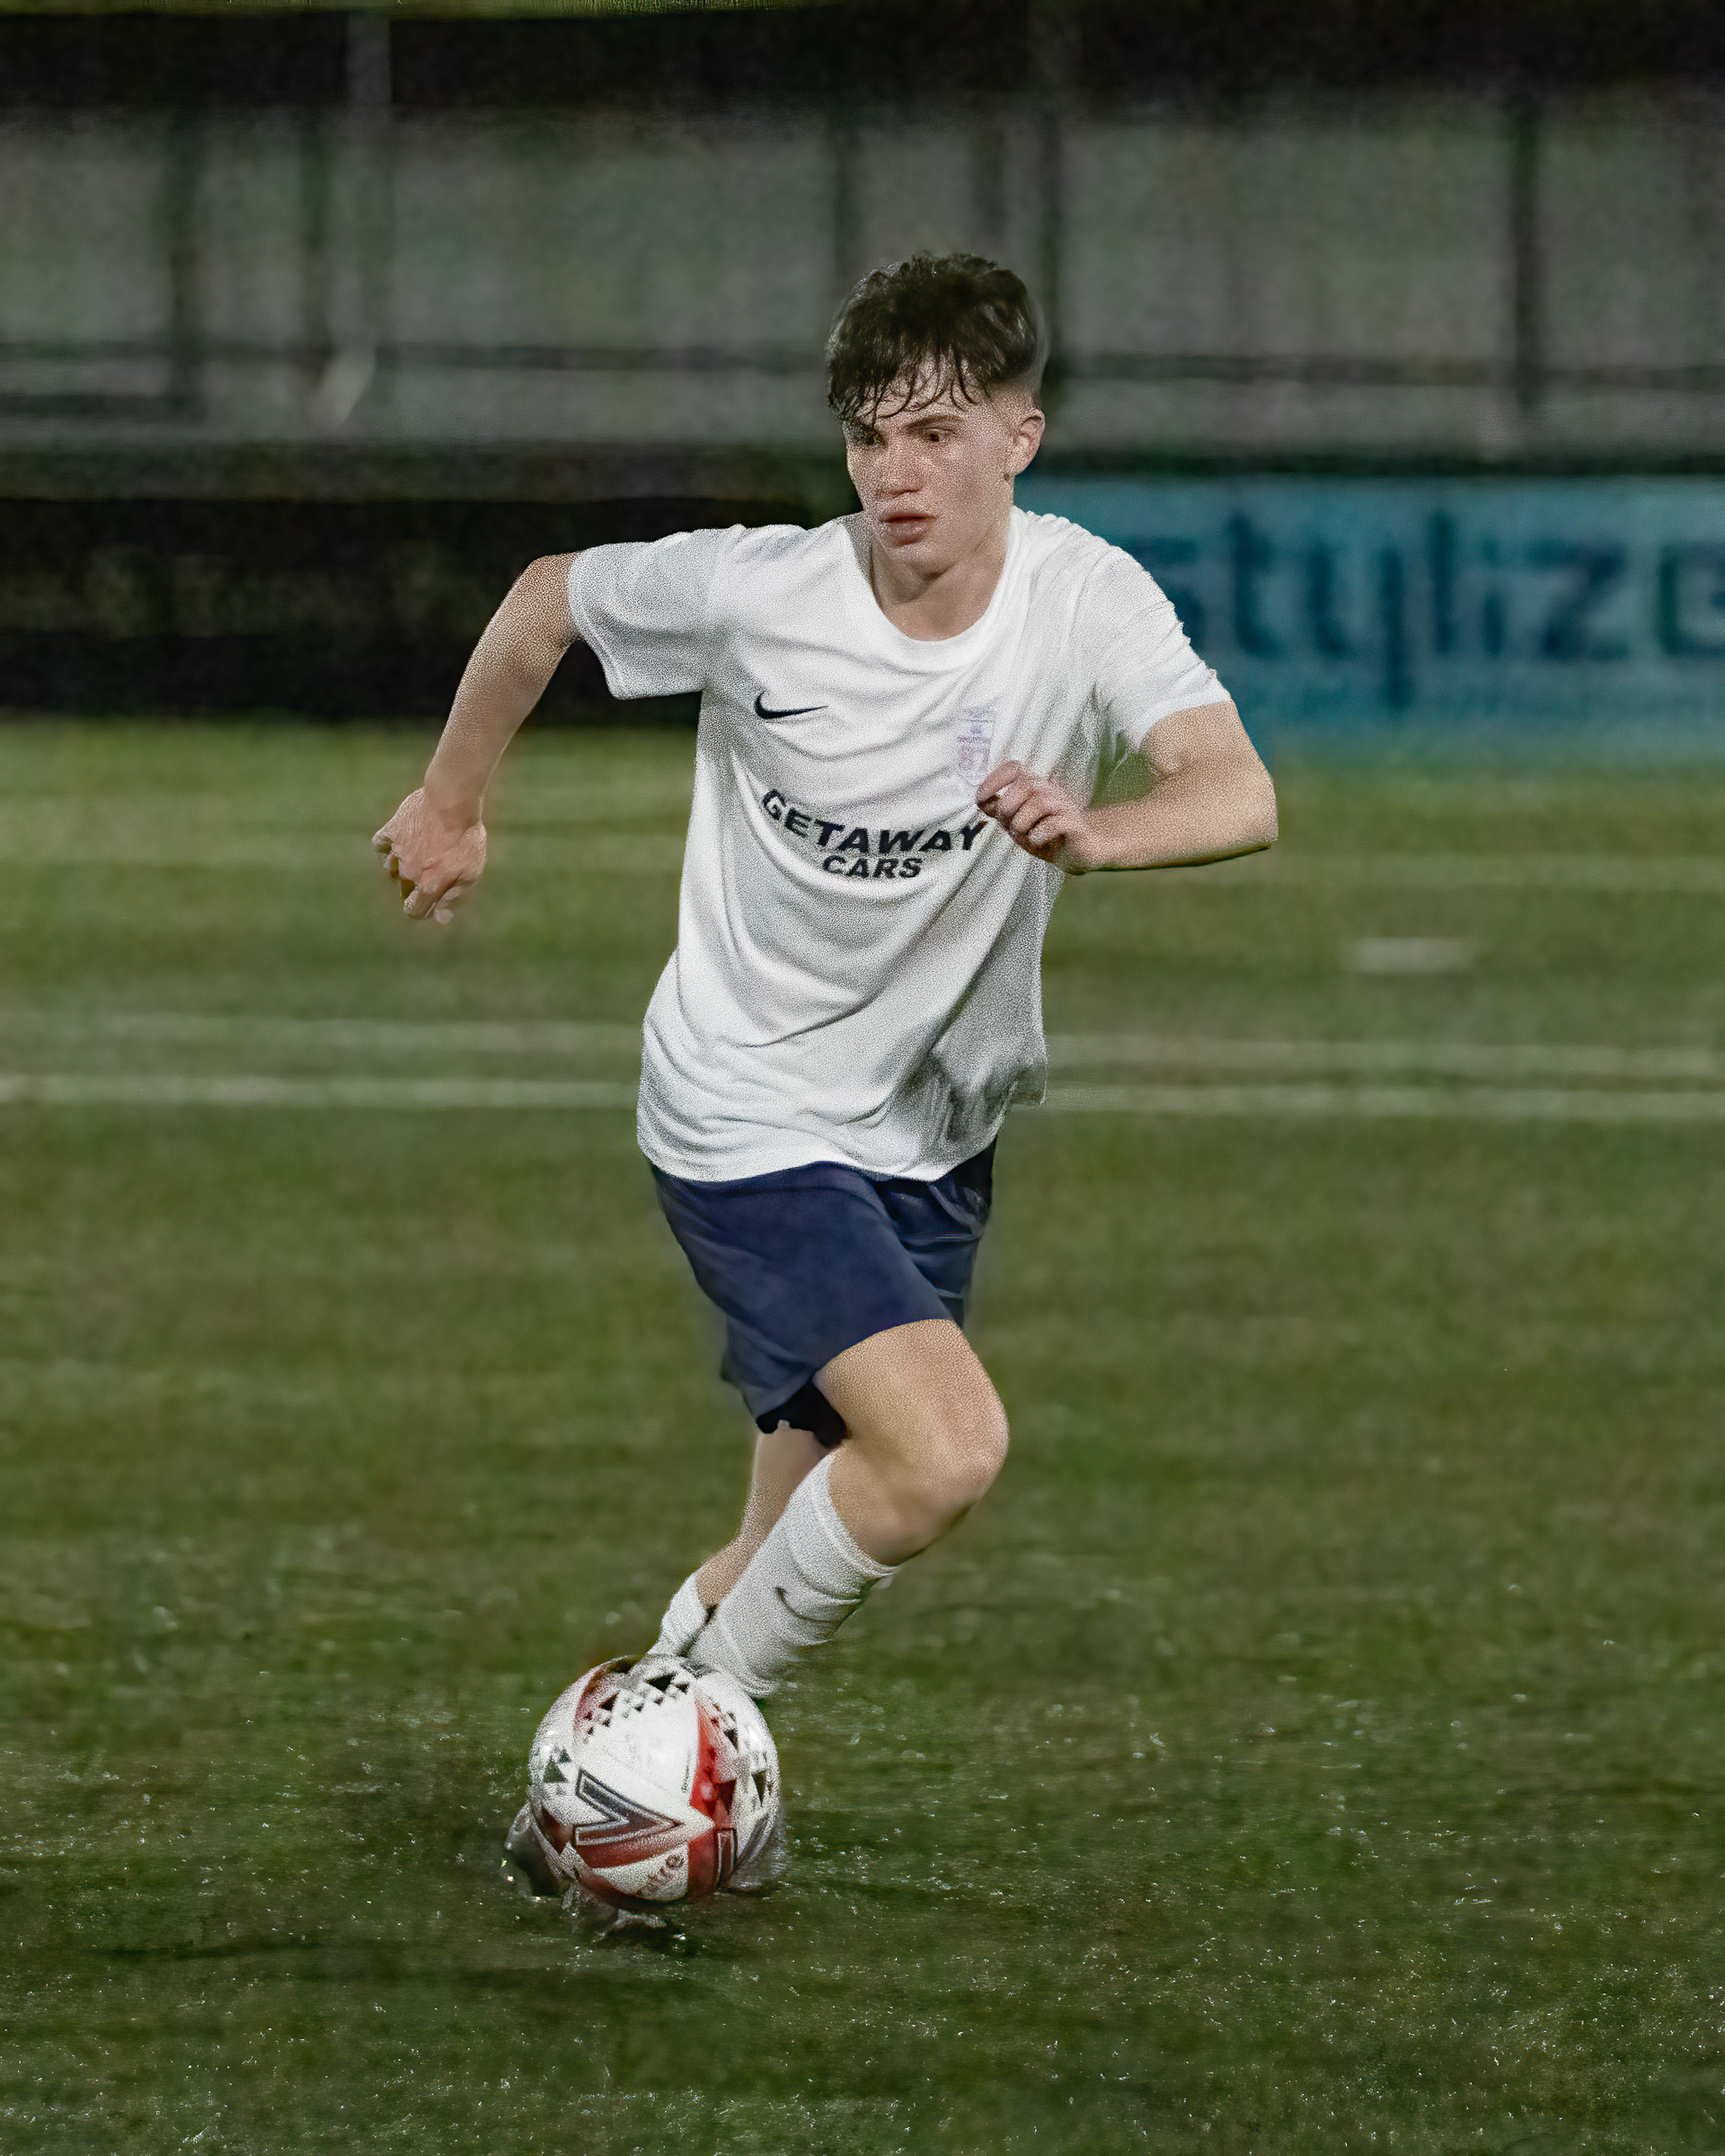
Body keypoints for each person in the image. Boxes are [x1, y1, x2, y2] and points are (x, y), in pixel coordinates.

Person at [373, 251, 1276, 1716]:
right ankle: (676, 1737)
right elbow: (546, 602)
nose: (894, 472)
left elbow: (1236, 790)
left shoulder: (1084, 597)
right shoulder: (763, 593)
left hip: (933, 1128)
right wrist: (450, 802)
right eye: (868, 435)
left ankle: (638, 1750)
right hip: (747, 1108)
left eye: (935, 433)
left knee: (786, 1533)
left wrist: (1098, 833)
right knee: (944, 1452)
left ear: (1019, 439)